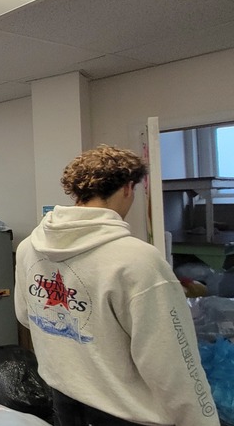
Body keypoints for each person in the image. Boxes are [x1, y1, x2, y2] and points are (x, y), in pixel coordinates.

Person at [15, 145, 218, 426]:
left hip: (63, 398)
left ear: (77, 191)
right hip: (126, 413)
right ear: (127, 188)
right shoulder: (137, 260)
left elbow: (27, 316)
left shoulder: (28, 248)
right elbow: (170, 362)